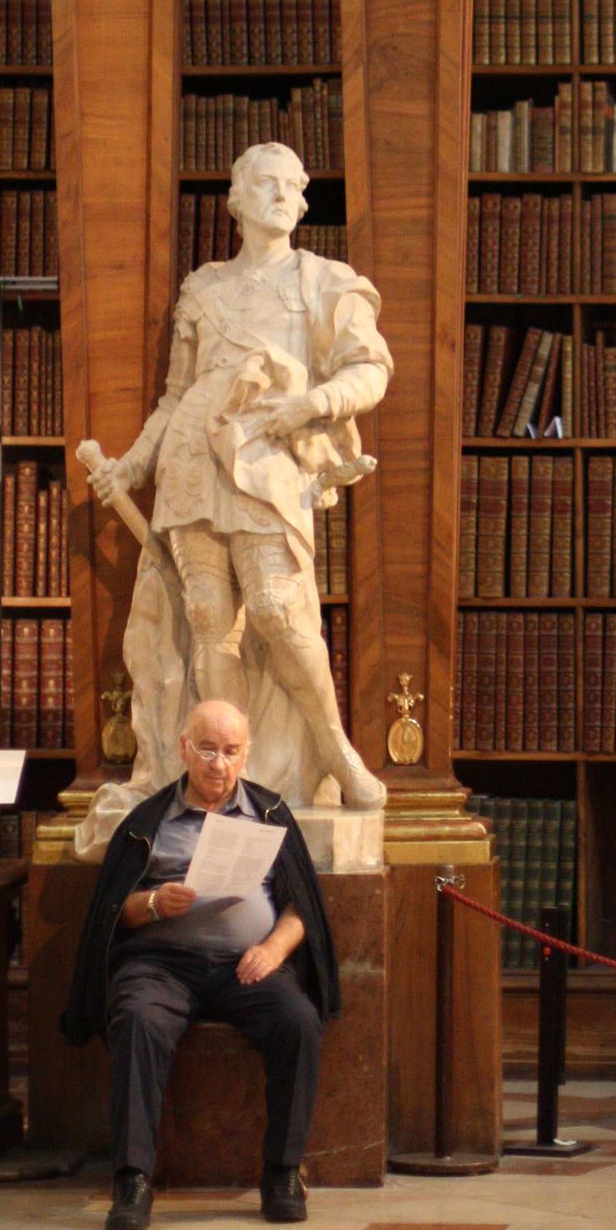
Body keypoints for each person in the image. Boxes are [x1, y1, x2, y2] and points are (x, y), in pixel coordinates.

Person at [82, 140, 392, 831]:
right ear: (236, 201)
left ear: (306, 202)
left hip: (265, 462)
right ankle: (229, 778)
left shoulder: (325, 281)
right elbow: (175, 399)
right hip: (192, 464)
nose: (281, 195)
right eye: (265, 183)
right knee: (207, 626)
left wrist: (310, 405)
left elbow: (370, 372)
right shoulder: (205, 288)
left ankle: (336, 752)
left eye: (292, 186)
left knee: (279, 612)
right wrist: (131, 466)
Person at [61, 699, 340, 1230]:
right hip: (162, 965)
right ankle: (134, 1179)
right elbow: (112, 912)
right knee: (138, 1020)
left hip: (249, 964)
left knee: (298, 1022)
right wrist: (152, 904)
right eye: (207, 749)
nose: (218, 763)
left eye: (231, 751)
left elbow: (304, 903)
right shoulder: (148, 822)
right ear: (184, 749)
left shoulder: (272, 814)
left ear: (246, 755)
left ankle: (282, 1172)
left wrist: (276, 950)